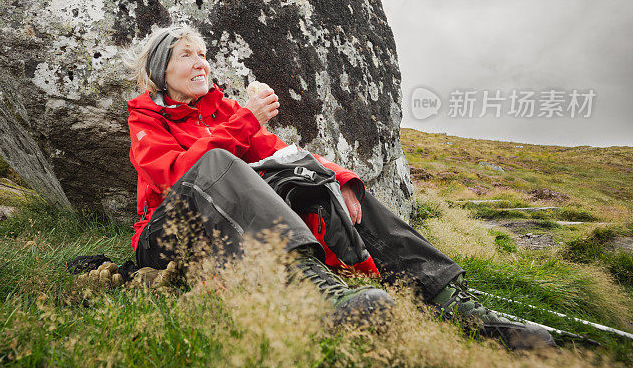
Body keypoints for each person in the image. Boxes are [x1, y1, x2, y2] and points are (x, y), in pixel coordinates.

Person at [126, 24, 554, 349]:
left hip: (232, 237)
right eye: (186, 55)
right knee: (215, 161)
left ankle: (448, 301)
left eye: (203, 54)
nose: (202, 62)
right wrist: (246, 120)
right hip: (166, 237)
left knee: (331, 185)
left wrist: (343, 183)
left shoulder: (225, 111)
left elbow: (285, 153)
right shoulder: (146, 118)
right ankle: (315, 293)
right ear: (160, 68)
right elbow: (175, 174)